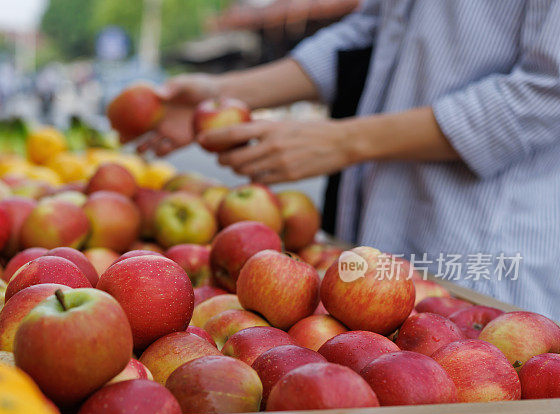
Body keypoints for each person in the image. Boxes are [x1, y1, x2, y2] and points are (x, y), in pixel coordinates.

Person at [139, 0, 560, 319]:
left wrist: (345, 142)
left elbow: (546, 91)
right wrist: (224, 92)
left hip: (484, 248)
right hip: (377, 252)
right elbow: (372, 30)